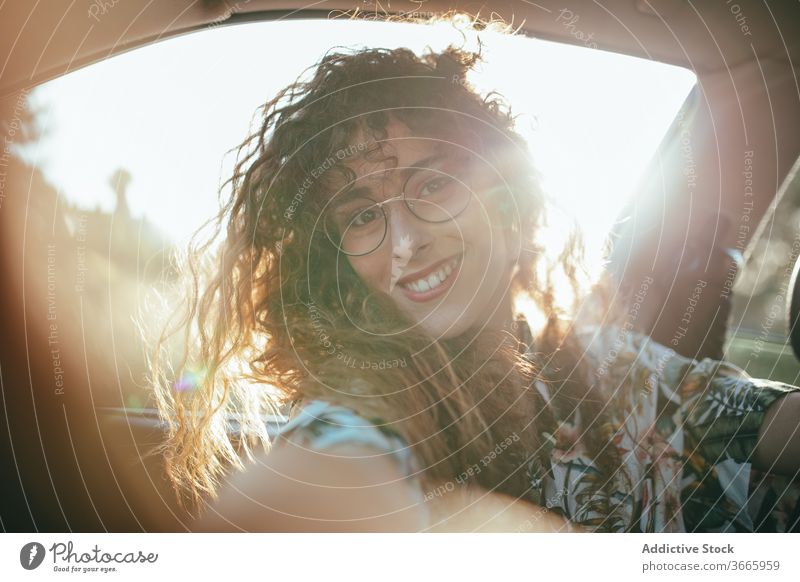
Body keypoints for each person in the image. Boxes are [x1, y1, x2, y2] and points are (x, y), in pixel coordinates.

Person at [151, 20, 800, 532]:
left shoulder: (606, 366)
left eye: (432, 183)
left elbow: (759, 422)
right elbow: (320, 482)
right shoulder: (369, 408)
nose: (405, 241)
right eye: (362, 215)